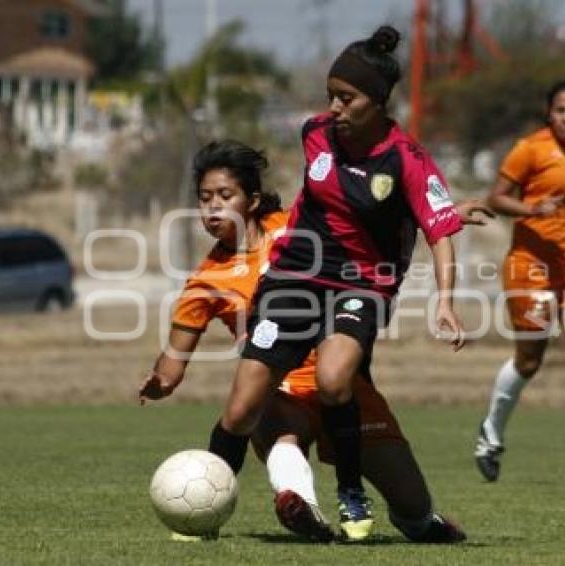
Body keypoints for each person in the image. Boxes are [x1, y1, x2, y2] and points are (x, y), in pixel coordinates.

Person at [189, 27, 468, 541]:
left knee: (336, 379)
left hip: (362, 284)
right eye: (331, 96)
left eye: (348, 98)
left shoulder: (406, 158)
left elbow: (441, 233)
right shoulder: (315, 132)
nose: (335, 108)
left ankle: (350, 491)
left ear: (378, 101)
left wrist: (445, 301)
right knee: (243, 402)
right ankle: (204, 505)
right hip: (296, 274)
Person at [139, 139, 474, 543]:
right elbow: (173, 365)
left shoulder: (295, 229)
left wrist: (441, 217)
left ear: (252, 199)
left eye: (225, 195)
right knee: (264, 411)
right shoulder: (205, 282)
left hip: (343, 385)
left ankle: (417, 519)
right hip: (281, 392)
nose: (213, 207)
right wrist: (161, 381)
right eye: (205, 198)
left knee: (414, 506)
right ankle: (300, 507)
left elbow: (365, 218)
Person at [474, 79, 565, 486]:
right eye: (559, 110)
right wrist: (532, 208)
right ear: (549, 113)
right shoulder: (531, 149)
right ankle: (491, 431)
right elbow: (495, 198)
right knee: (529, 360)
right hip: (532, 264)